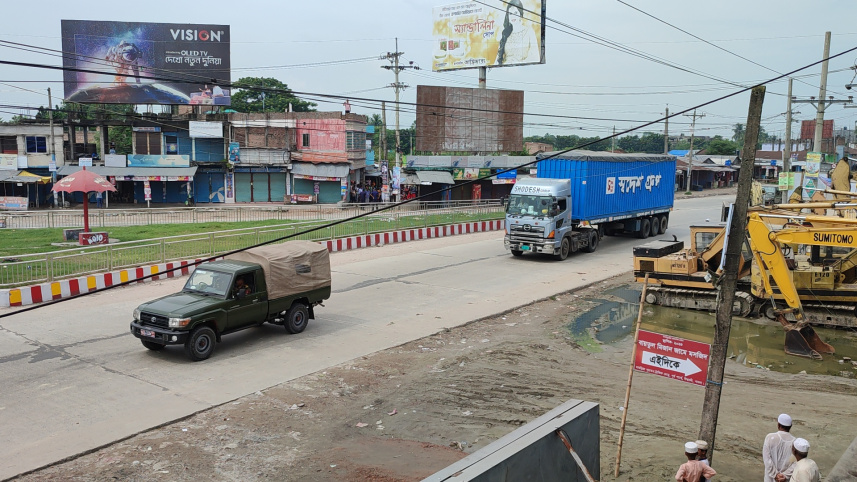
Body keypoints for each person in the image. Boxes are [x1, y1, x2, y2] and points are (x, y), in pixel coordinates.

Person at [495, 0, 539, 66]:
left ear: (520, 14)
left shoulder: (529, 31)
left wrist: (518, 63)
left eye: (515, 13)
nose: (513, 16)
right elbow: (497, 60)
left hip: (524, 72)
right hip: (505, 72)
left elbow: (535, 57)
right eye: (510, 13)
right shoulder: (505, 34)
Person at [763, 414, 796, 482]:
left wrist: (775, 475)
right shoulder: (795, 442)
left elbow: (767, 459)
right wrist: (784, 476)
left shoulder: (770, 437)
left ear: (778, 425)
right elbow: (795, 463)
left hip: (770, 479)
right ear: (790, 427)